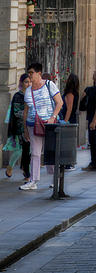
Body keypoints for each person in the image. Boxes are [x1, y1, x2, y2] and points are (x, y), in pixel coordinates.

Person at [19, 63, 62, 191]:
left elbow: (60, 102)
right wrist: (25, 128)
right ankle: (33, 180)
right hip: (33, 125)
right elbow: (26, 110)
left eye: (31, 73)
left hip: (49, 125)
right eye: (29, 73)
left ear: (39, 73)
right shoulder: (28, 90)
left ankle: (55, 178)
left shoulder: (49, 85)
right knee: (35, 153)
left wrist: (53, 117)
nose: (29, 75)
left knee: (51, 151)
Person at [5, 73, 31, 180]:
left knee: (28, 151)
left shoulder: (33, 94)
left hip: (30, 126)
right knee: (20, 150)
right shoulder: (18, 96)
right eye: (26, 82)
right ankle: (10, 166)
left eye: (30, 82)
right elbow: (16, 112)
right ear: (21, 83)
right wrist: (27, 115)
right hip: (20, 127)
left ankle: (26, 172)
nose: (28, 84)